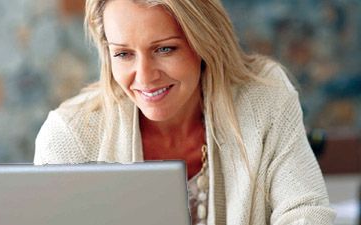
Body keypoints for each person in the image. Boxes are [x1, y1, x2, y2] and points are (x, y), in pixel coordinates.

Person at [34, 0, 336, 224]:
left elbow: (306, 212)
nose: (144, 77)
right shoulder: (69, 135)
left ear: (203, 41)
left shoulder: (265, 99)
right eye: (124, 54)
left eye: (165, 49)